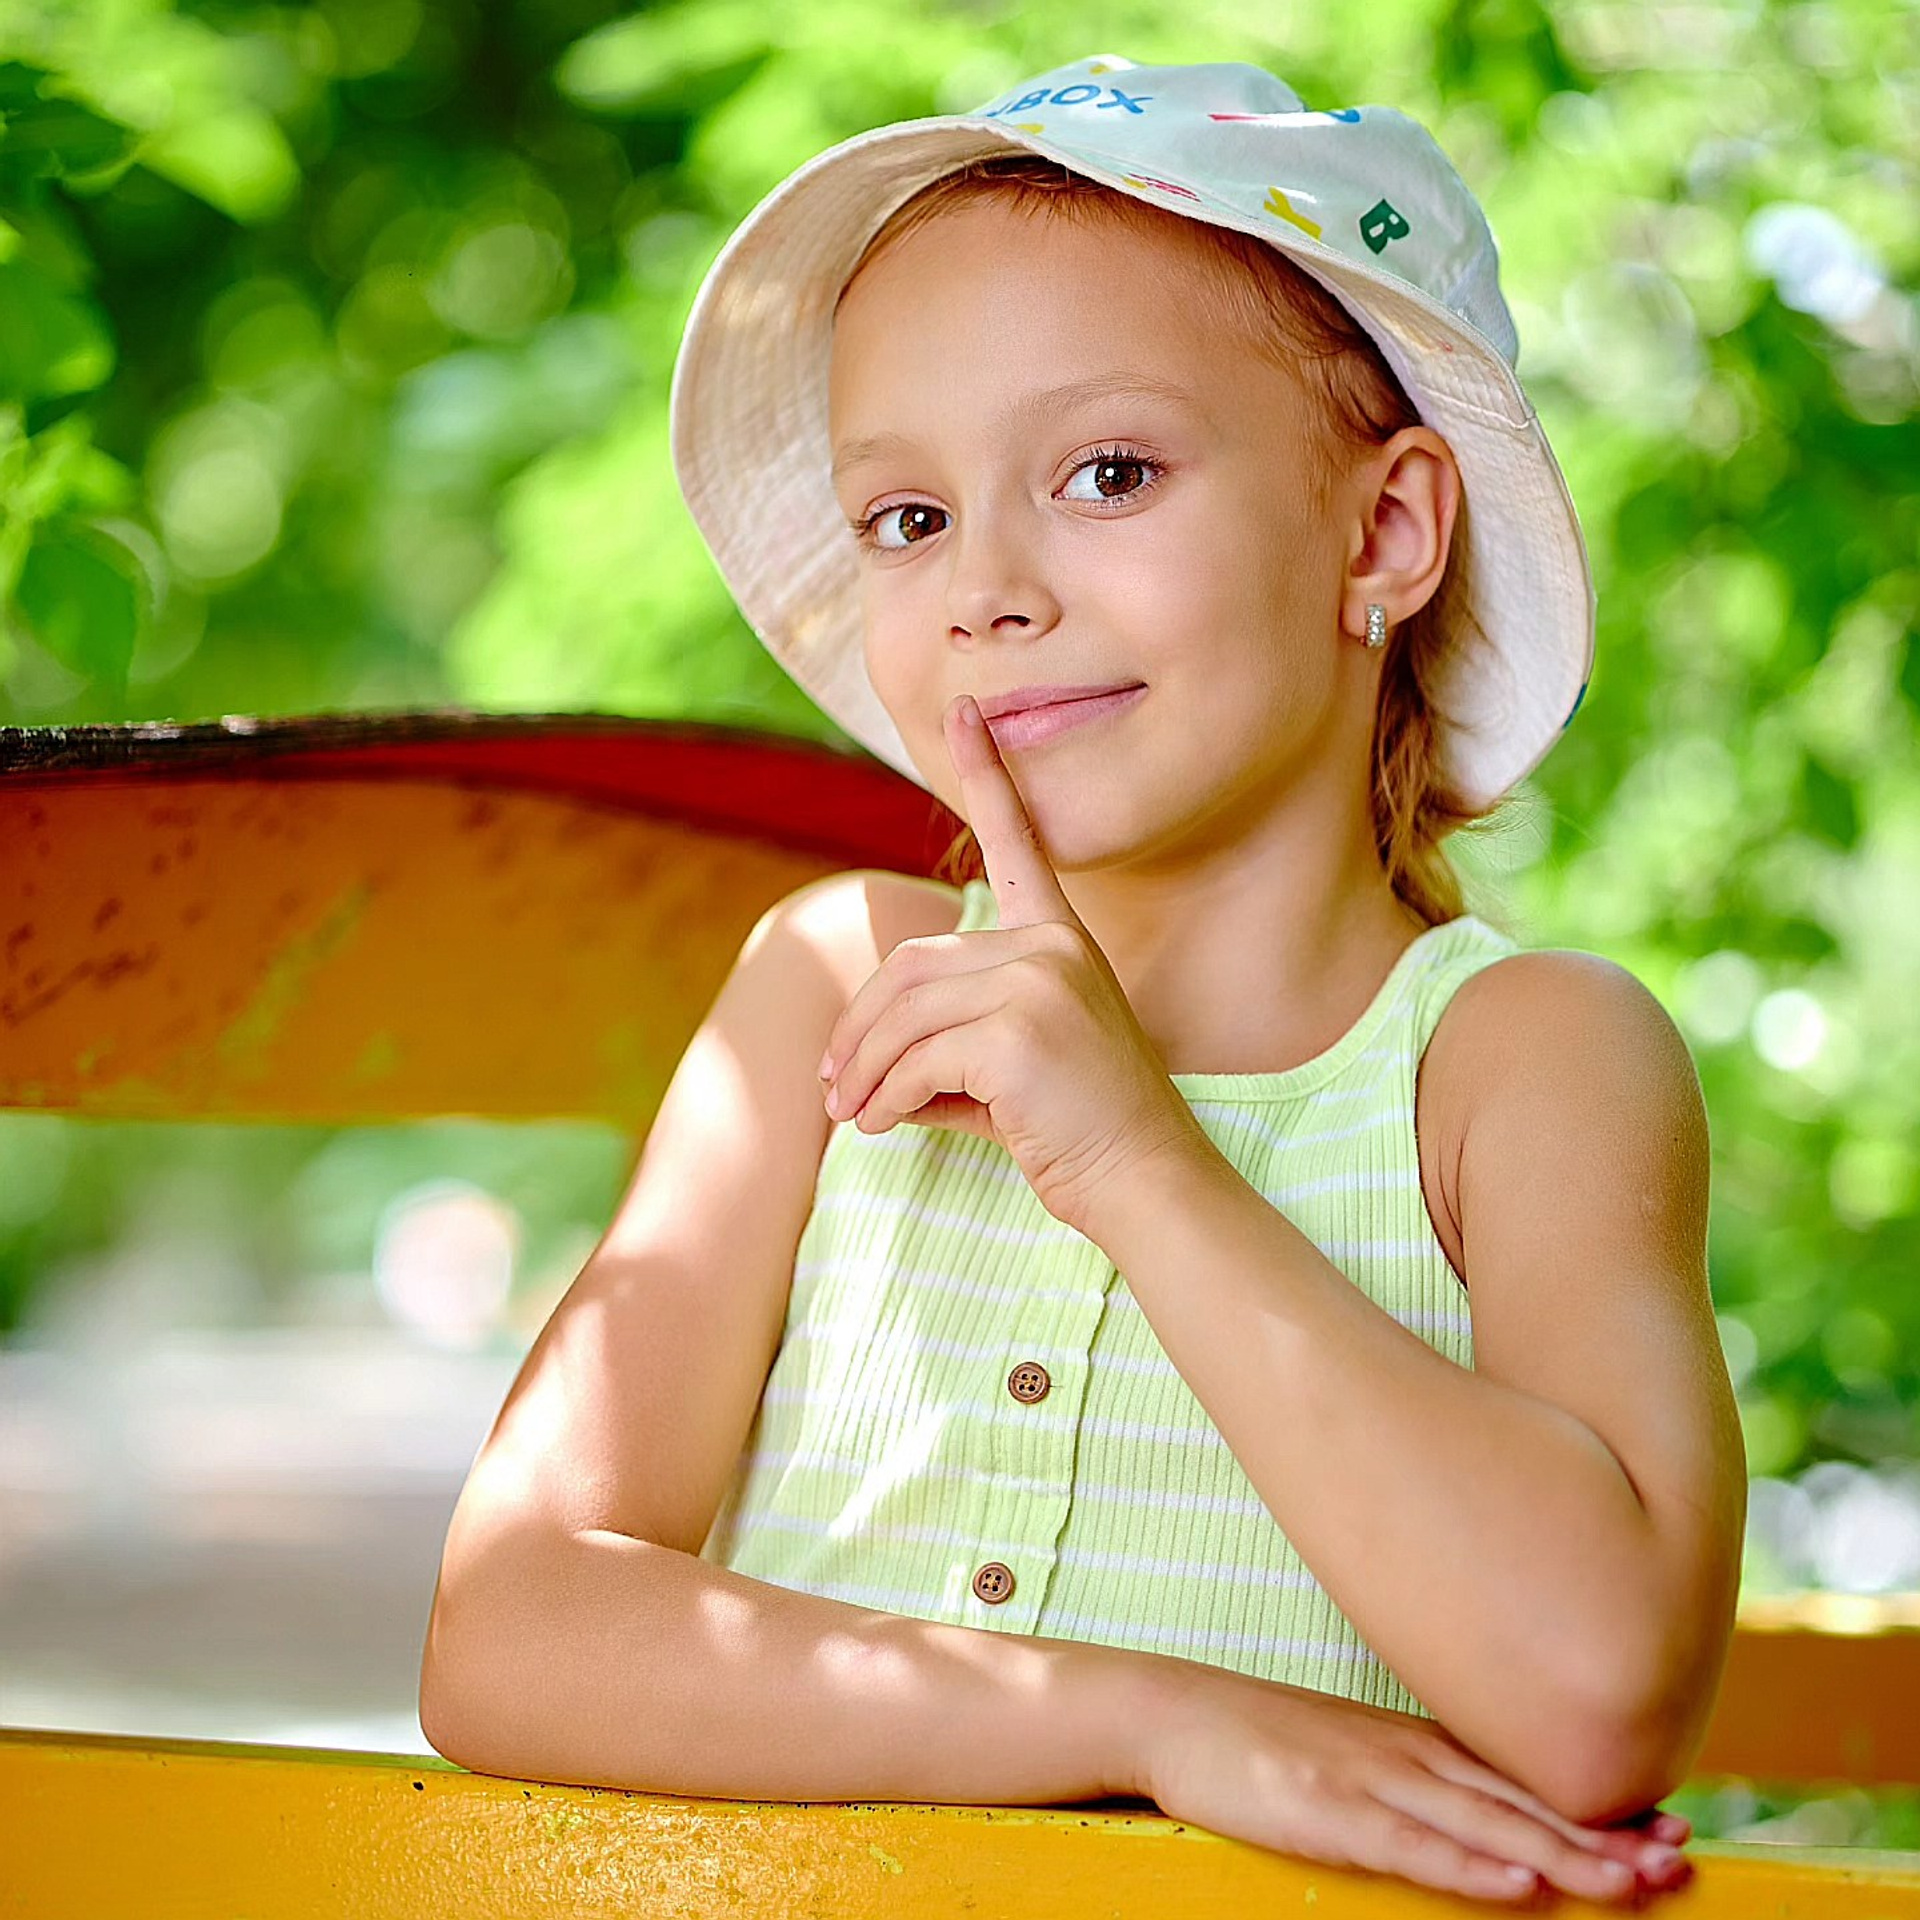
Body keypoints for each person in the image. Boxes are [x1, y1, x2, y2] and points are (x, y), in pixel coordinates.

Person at [419, 52, 1746, 1907]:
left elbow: (1600, 1694)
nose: (986, 588)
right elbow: (505, 1627)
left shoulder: (1517, 1062)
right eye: (907, 518)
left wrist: (1135, 1160)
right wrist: (1158, 1722)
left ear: (1382, 534)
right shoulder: (835, 984)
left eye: (1108, 471)